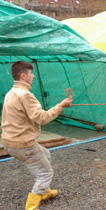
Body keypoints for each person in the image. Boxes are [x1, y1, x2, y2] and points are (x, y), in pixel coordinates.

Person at [1, 61, 73, 210]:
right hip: (22, 144)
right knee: (45, 173)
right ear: (23, 76)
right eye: (30, 74)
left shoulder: (11, 93)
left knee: (45, 154)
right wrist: (60, 106)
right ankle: (31, 207)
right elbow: (42, 118)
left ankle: (45, 192)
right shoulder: (25, 95)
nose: (33, 76)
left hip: (9, 142)